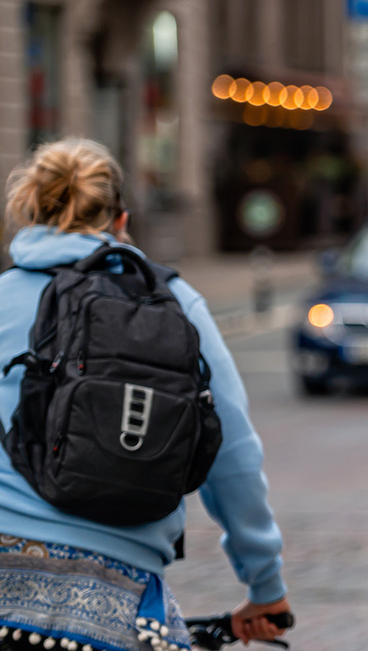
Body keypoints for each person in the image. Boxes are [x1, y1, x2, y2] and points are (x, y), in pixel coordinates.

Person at [0, 139, 291, 650]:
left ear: (29, 212)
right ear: (121, 221)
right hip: (114, 597)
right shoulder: (176, 304)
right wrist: (264, 588)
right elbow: (233, 459)